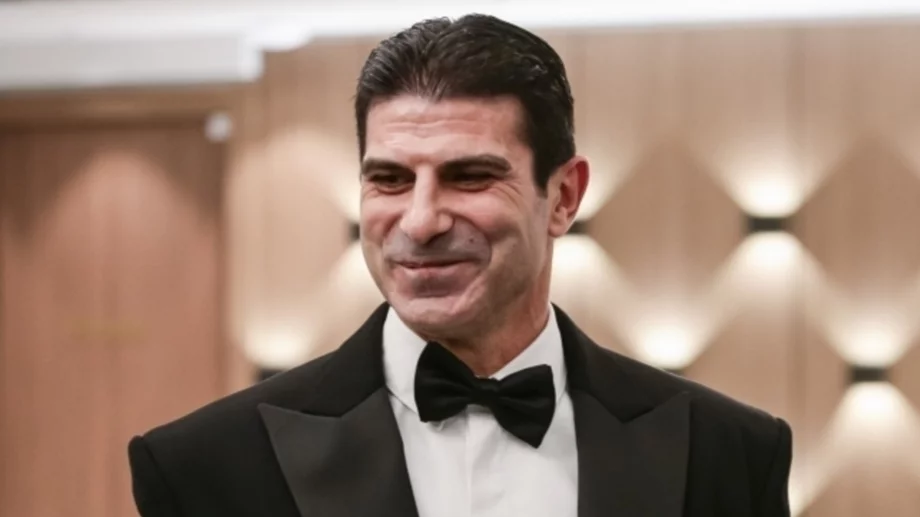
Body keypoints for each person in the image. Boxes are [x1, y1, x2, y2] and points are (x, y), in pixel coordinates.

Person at [128, 13, 792, 517]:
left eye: (469, 175)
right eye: (389, 179)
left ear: (563, 197)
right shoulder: (203, 466)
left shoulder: (729, 452)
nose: (420, 221)